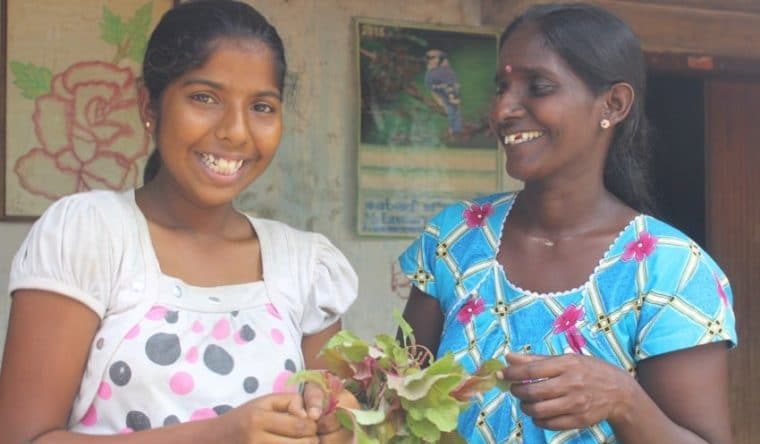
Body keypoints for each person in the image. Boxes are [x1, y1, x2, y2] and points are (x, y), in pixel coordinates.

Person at [0, 1, 357, 443]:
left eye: (262, 106)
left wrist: (337, 427)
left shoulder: (307, 267)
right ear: (149, 103)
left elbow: (330, 416)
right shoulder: (90, 236)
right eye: (204, 98)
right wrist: (216, 436)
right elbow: (23, 438)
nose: (237, 132)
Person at [399, 3, 736, 444]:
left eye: (538, 86)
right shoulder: (454, 238)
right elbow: (398, 402)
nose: (502, 110)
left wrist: (624, 400)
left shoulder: (671, 271)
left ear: (613, 104)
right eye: (502, 87)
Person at [424, 48, 463, 138]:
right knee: (453, 113)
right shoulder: (436, 72)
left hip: (448, 99)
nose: (430, 60)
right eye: (428, 58)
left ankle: (454, 130)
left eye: (433, 58)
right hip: (447, 99)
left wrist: (447, 100)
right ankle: (455, 130)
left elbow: (451, 90)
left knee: (453, 113)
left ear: (440, 59)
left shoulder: (441, 73)